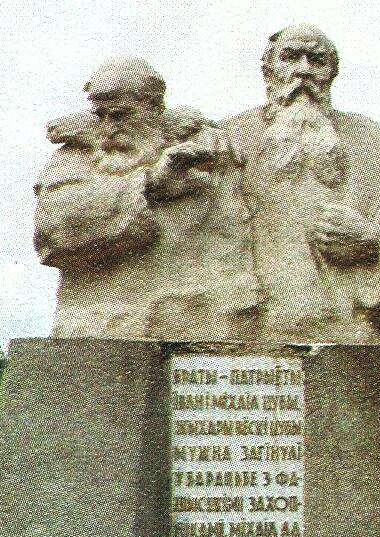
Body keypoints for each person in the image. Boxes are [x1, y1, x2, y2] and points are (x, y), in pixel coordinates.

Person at [223, 24, 380, 343]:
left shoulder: (373, 146)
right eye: (290, 57)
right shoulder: (229, 139)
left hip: (342, 328)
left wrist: (370, 238)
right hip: (244, 323)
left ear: (332, 73)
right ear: (268, 69)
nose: (303, 70)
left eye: (317, 60)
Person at [34, 58, 261, 340]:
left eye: (121, 115)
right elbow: (54, 230)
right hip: (102, 320)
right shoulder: (75, 155)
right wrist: (150, 182)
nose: (108, 128)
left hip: (200, 310)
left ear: (154, 108)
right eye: (100, 115)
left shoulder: (204, 150)